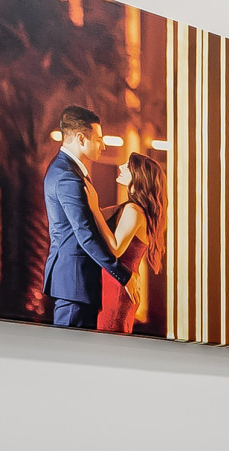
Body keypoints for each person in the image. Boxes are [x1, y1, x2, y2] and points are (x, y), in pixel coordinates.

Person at [41, 105, 131, 329]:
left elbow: (86, 220)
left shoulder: (67, 170)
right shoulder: (67, 176)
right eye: (99, 138)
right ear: (81, 138)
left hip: (76, 284)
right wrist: (122, 274)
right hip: (75, 284)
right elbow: (85, 234)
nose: (103, 145)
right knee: (69, 356)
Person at [100, 148, 168, 335]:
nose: (121, 166)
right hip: (116, 287)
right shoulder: (128, 208)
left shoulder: (134, 210)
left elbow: (115, 249)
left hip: (117, 289)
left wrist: (90, 202)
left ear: (139, 177)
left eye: (128, 166)